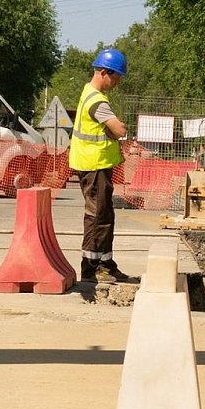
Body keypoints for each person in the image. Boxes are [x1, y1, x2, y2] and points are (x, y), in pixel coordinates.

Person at [69, 48, 132, 283]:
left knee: (105, 214)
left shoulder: (89, 93)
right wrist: (117, 128)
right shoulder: (97, 101)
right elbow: (120, 130)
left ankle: (105, 263)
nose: (118, 82)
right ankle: (92, 268)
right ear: (105, 72)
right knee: (98, 216)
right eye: (117, 77)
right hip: (93, 165)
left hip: (95, 164)